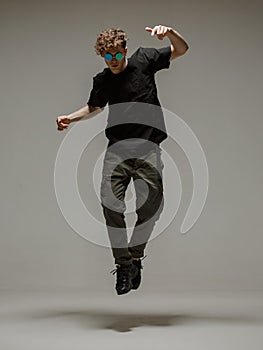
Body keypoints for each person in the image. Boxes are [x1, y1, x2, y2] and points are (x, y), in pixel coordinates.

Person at [56, 24, 189, 295]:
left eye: (117, 54)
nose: (114, 60)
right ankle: (123, 265)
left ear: (125, 51)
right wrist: (70, 117)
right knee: (111, 206)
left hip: (148, 148)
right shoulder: (102, 80)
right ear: (103, 57)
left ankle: (136, 256)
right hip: (117, 151)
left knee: (151, 208)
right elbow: (94, 106)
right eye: (108, 56)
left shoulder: (145, 60)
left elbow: (182, 50)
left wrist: (171, 32)